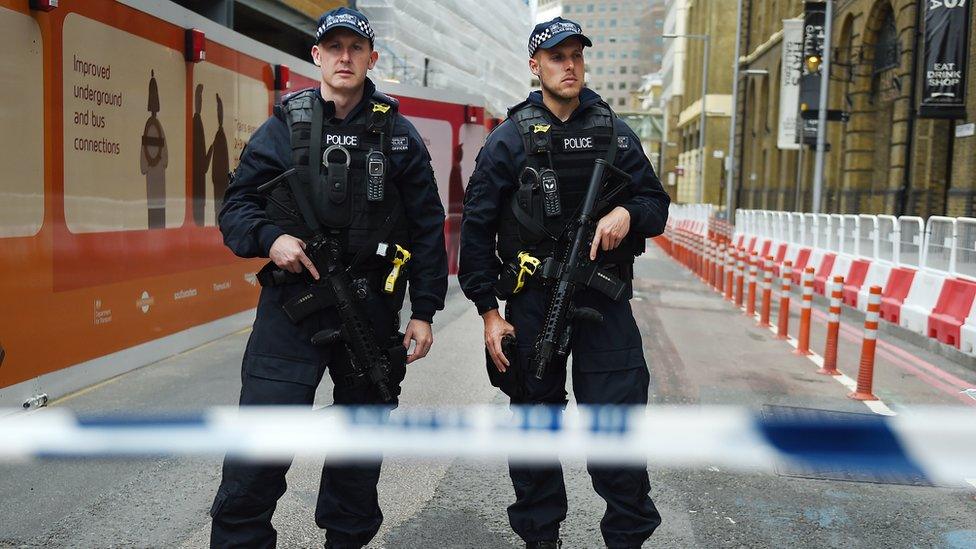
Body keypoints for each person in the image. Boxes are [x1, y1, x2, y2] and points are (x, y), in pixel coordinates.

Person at [211, 7, 447, 549]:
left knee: (357, 459)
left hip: (369, 309)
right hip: (292, 309)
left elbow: (428, 227)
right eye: (333, 47)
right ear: (315, 56)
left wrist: (425, 311)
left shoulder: (399, 136)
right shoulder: (283, 127)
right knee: (259, 452)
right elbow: (237, 208)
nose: (344, 57)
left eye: (355, 48)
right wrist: (272, 240)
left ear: (371, 58)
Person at [458, 17, 670, 549]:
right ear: (536, 66)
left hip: (604, 297)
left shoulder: (614, 131)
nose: (569, 65)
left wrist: (625, 212)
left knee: (617, 423)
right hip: (532, 302)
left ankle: (627, 537)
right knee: (533, 425)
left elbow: (656, 205)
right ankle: (539, 537)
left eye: (576, 54)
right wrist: (488, 312)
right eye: (557, 57)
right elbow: (477, 230)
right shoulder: (508, 139)